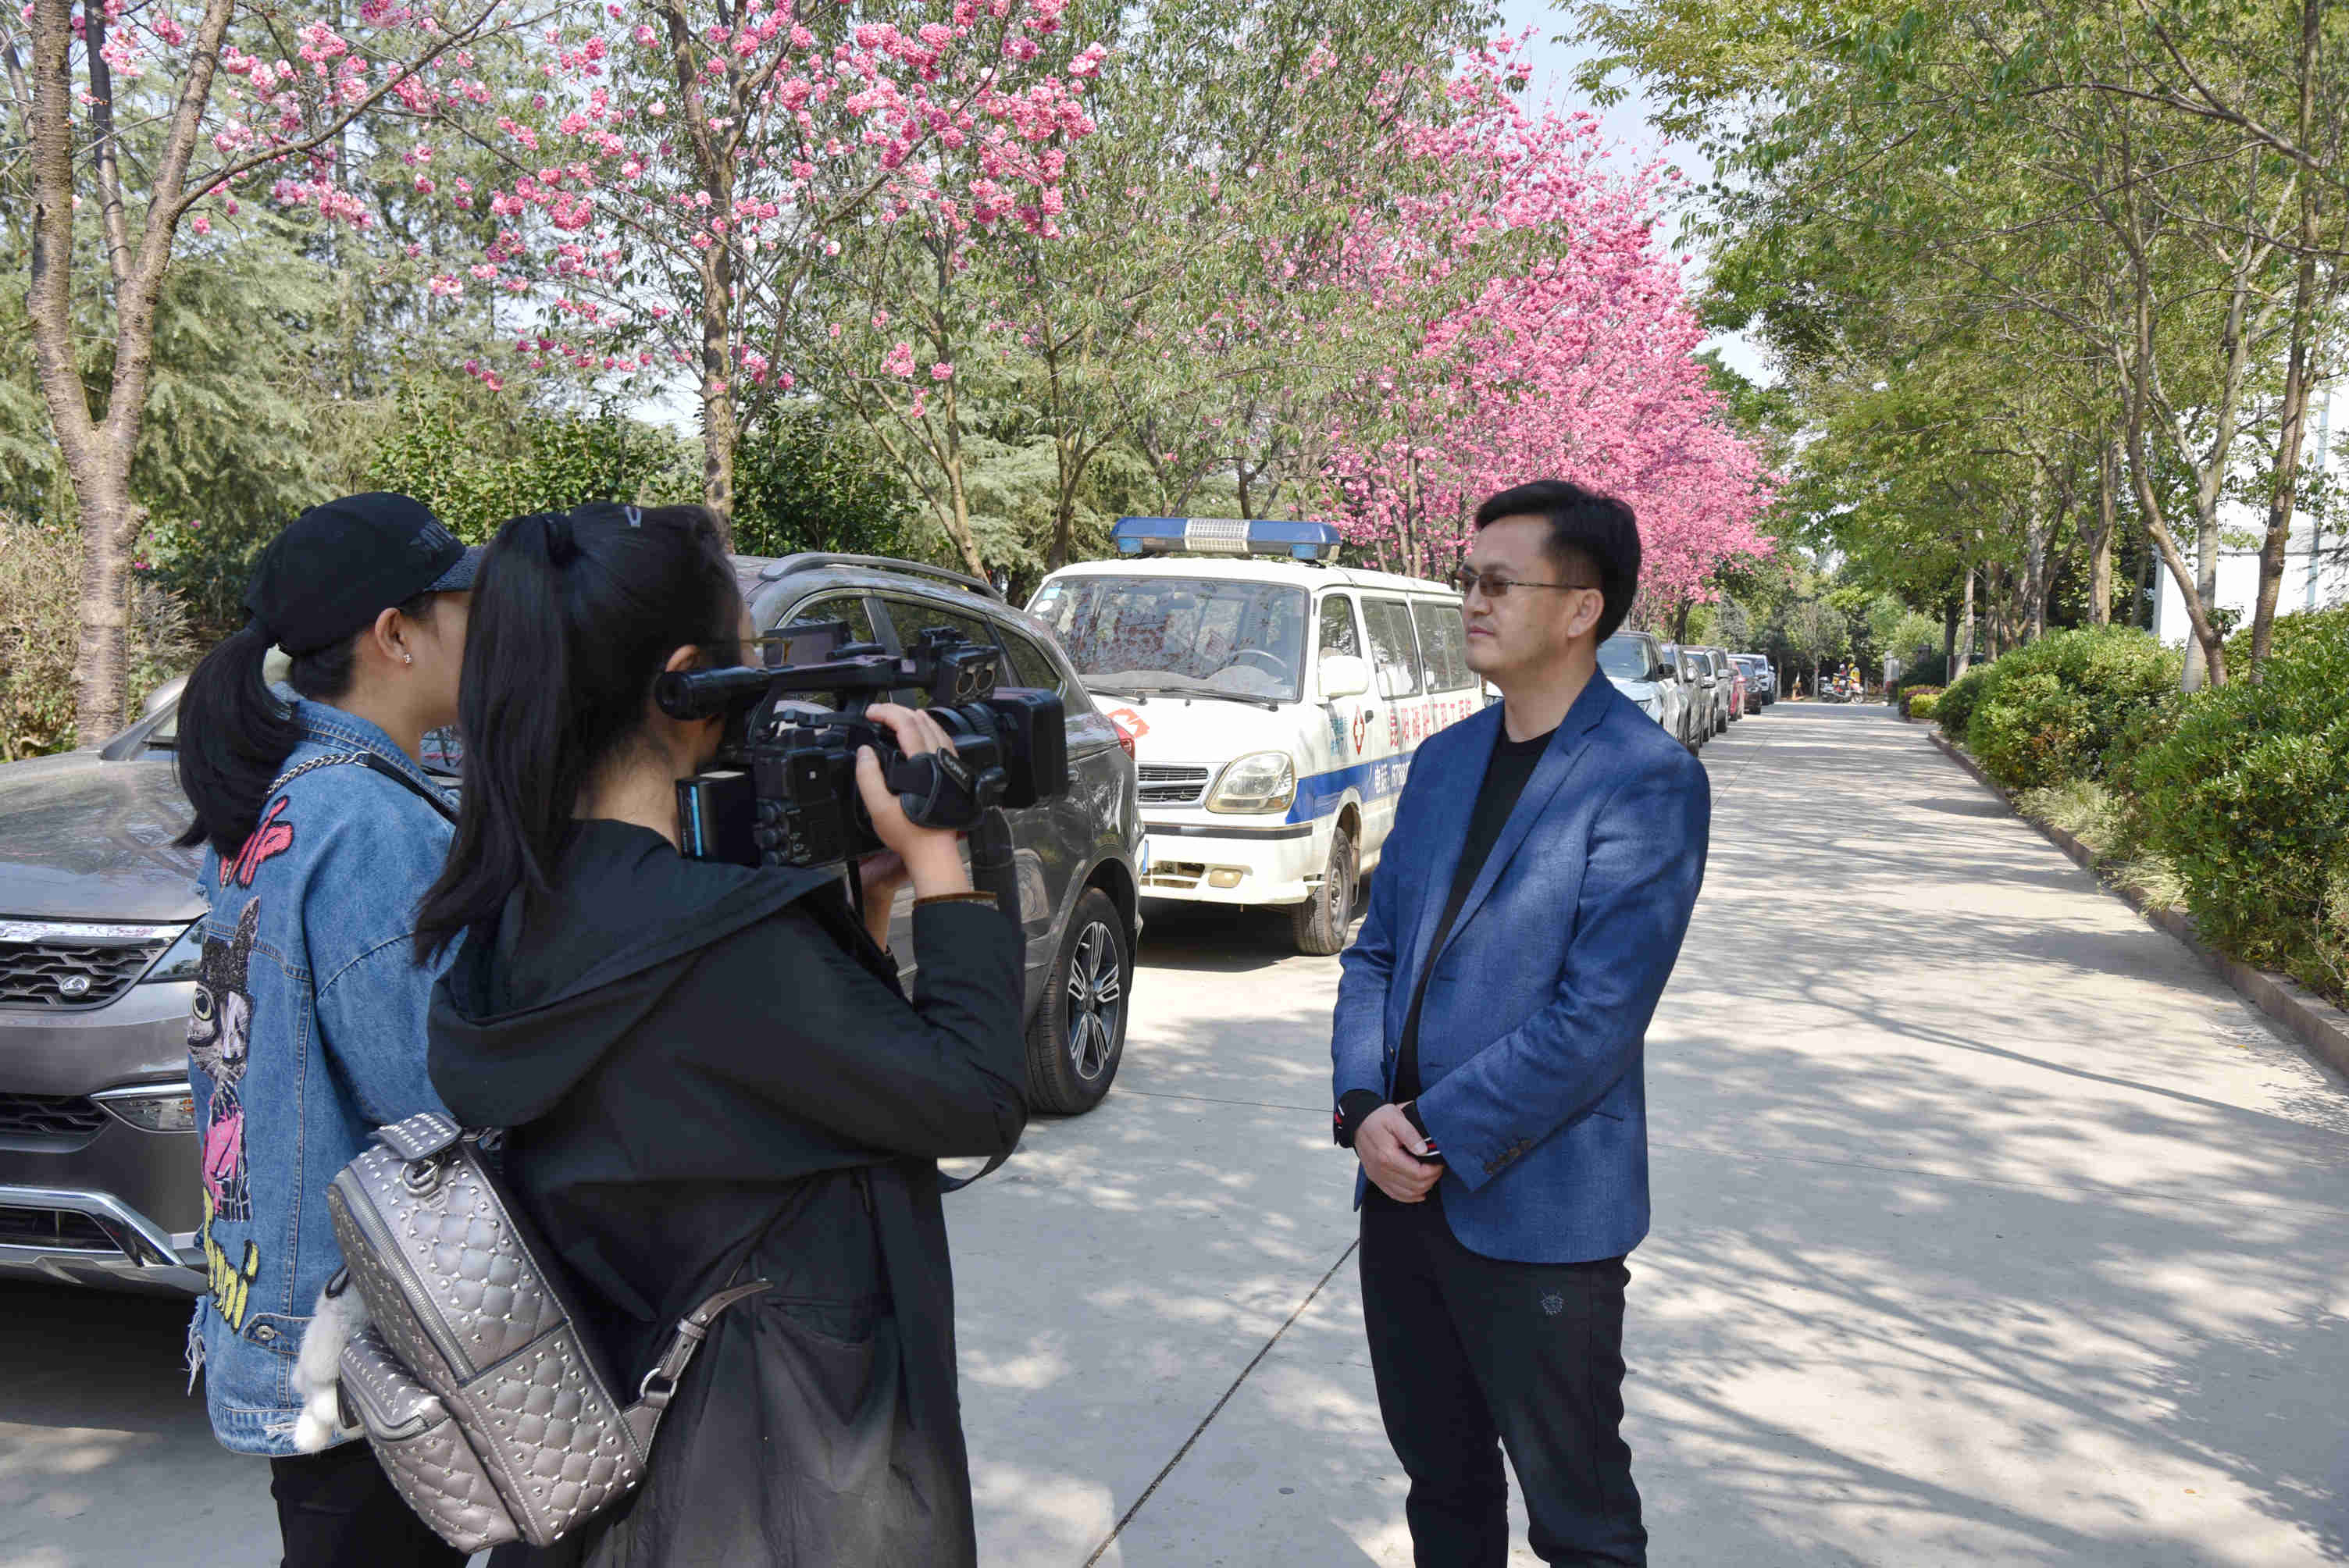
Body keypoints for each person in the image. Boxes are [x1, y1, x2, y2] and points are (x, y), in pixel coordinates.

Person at [415, 502, 1028, 1567]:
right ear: (687, 683)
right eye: (749, 659)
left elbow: (755, 1096)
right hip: (781, 1478)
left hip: (619, 1459)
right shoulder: (715, 941)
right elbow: (974, 1096)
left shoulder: (515, 915)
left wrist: (866, 910)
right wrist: (941, 862)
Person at [1331, 479, 1710, 1566]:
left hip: (1538, 1216)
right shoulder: (1445, 761)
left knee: (1581, 1524)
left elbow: (1596, 1021)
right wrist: (1362, 1106)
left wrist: (1429, 1132)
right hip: (1398, 1200)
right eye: (1469, 578)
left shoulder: (1646, 780)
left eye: (1499, 583)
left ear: (1582, 607)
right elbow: (1375, 955)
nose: (1472, 601)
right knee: (1442, 1492)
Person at [173, 493, 478, 1568]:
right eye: (464, 606)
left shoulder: (284, 795)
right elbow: (437, 1097)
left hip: (280, 1310)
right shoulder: (372, 824)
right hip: (367, 1349)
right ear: (396, 634)